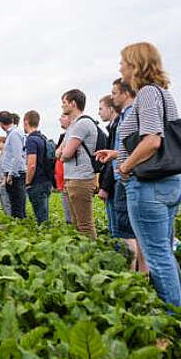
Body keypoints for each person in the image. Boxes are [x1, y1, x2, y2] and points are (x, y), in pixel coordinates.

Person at [96, 42, 181, 309]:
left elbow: (152, 141)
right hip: (170, 182)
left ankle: (172, 320)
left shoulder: (147, 93)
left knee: (156, 254)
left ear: (135, 65)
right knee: (164, 252)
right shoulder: (162, 93)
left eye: (123, 62)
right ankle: (177, 312)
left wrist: (125, 167)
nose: (120, 67)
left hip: (151, 184)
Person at [109, 78, 147, 273]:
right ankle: (139, 274)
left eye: (115, 93)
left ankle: (134, 274)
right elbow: (128, 147)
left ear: (125, 93)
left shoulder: (132, 113)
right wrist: (114, 154)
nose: (112, 96)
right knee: (133, 231)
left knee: (130, 232)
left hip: (128, 177)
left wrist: (123, 167)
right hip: (124, 175)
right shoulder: (126, 115)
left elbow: (142, 146)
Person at [56, 89, 97, 239]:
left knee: (85, 225)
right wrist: (63, 152)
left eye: (64, 103)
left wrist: (63, 153)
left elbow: (65, 153)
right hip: (72, 178)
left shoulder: (83, 123)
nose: (62, 106)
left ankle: (92, 256)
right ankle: (84, 253)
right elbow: (59, 151)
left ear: (73, 104)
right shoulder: (72, 126)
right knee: (76, 224)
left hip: (81, 179)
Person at [22, 110, 52, 223]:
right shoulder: (42, 138)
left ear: (26, 122)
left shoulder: (31, 139)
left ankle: (45, 237)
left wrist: (27, 182)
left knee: (41, 219)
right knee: (44, 215)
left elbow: (31, 165)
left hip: (37, 182)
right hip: (46, 181)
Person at [0, 111, 27, 218]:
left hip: (16, 175)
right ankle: (19, 229)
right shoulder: (12, 134)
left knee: (17, 207)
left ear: (0, 123)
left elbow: (17, 157)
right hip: (14, 175)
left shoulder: (14, 134)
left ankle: (21, 230)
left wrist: (10, 175)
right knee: (15, 206)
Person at [97, 95, 119, 238]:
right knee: (114, 226)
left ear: (111, 109)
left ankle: (125, 258)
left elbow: (113, 162)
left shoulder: (117, 127)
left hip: (114, 185)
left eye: (101, 108)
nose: (99, 112)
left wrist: (105, 187)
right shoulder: (112, 128)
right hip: (113, 184)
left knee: (117, 227)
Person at [56, 115, 72, 224]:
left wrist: (60, 152)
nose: (59, 119)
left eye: (63, 116)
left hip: (70, 179)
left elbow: (62, 155)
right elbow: (57, 154)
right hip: (63, 181)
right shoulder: (64, 136)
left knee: (73, 218)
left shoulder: (73, 136)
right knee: (68, 217)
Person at [0, 136, 12, 216]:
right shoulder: (1, 154)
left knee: (6, 203)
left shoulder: (6, 154)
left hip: (3, 182)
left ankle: (10, 220)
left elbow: (7, 169)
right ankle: (7, 218)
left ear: (4, 143)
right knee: (3, 204)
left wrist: (4, 181)